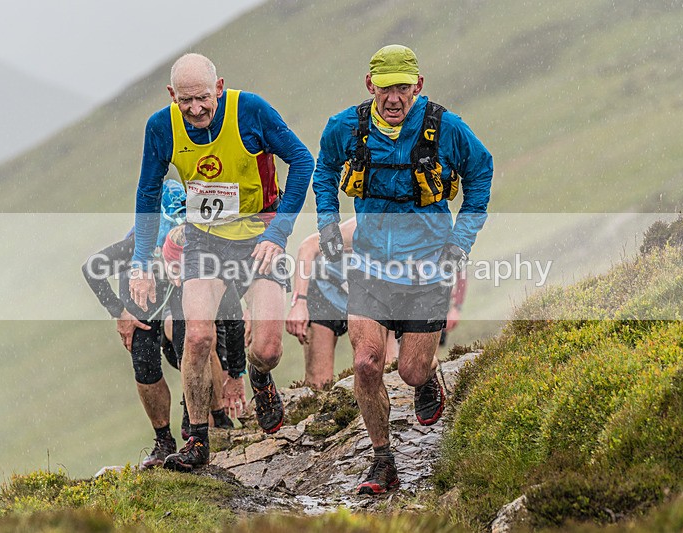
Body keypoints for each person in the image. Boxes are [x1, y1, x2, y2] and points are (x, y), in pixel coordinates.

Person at [312, 45, 492, 494]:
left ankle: (427, 378)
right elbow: (323, 173)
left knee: (410, 371)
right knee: (366, 362)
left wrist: (460, 243)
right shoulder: (345, 128)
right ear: (370, 85)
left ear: (419, 86)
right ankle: (382, 461)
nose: (395, 98)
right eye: (386, 88)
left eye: (404, 88)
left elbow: (481, 174)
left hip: (427, 269)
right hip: (370, 267)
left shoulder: (445, 129)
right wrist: (328, 224)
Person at [128, 53, 314, 472]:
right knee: (196, 338)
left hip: (259, 237)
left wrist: (278, 232)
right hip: (204, 239)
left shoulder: (251, 111)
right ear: (172, 95)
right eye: (186, 100)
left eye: (203, 98)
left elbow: (303, 161)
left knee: (267, 349)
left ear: (220, 87)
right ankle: (196, 439)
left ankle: (260, 378)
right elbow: (146, 194)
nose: (195, 109)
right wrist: (141, 259)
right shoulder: (162, 127)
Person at [82, 180, 245, 470]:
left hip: (184, 280)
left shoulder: (204, 256)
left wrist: (236, 372)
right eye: (176, 268)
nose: (179, 276)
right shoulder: (138, 247)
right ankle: (163, 442)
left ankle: (203, 423)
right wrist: (118, 312)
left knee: (194, 344)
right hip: (141, 286)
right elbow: (92, 268)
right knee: (144, 362)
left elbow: (233, 318)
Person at [286, 218, 468, 389]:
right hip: (328, 293)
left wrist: (454, 307)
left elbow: (457, 262)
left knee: (385, 366)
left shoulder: (428, 232)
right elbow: (308, 246)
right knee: (319, 382)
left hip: (372, 296)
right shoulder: (367, 224)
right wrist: (299, 303)